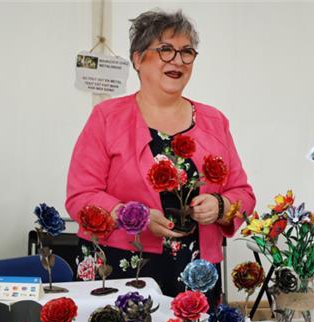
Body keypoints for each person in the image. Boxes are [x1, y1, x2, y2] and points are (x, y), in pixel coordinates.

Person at [66, 9, 256, 298]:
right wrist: (133, 216)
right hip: (120, 265)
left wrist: (221, 205)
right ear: (138, 59)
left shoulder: (215, 121)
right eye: (166, 50)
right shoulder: (106, 117)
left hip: (195, 270)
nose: (178, 61)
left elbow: (243, 193)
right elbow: (80, 196)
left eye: (186, 52)